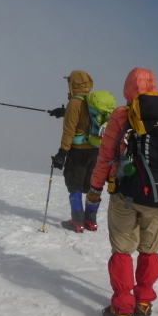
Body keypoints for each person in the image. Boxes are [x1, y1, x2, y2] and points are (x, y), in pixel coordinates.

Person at [89, 68, 158, 316]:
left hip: (125, 194)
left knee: (122, 250)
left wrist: (95, 189)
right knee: (150, 250)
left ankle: (122, 310)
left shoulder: (122, 115)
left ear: (127, 89)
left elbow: (105, 157)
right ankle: (143, 302)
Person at [51, 70, 101, 233]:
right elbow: (86, 119)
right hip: (95, 151)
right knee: (92, 185)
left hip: (78, 151)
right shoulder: (94, 101)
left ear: (73, 84)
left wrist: (62, 152)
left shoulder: (75, 102)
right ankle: (90, 220)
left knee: (74, 184)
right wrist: (64, 112)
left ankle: (77, 220)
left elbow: (69, 129)